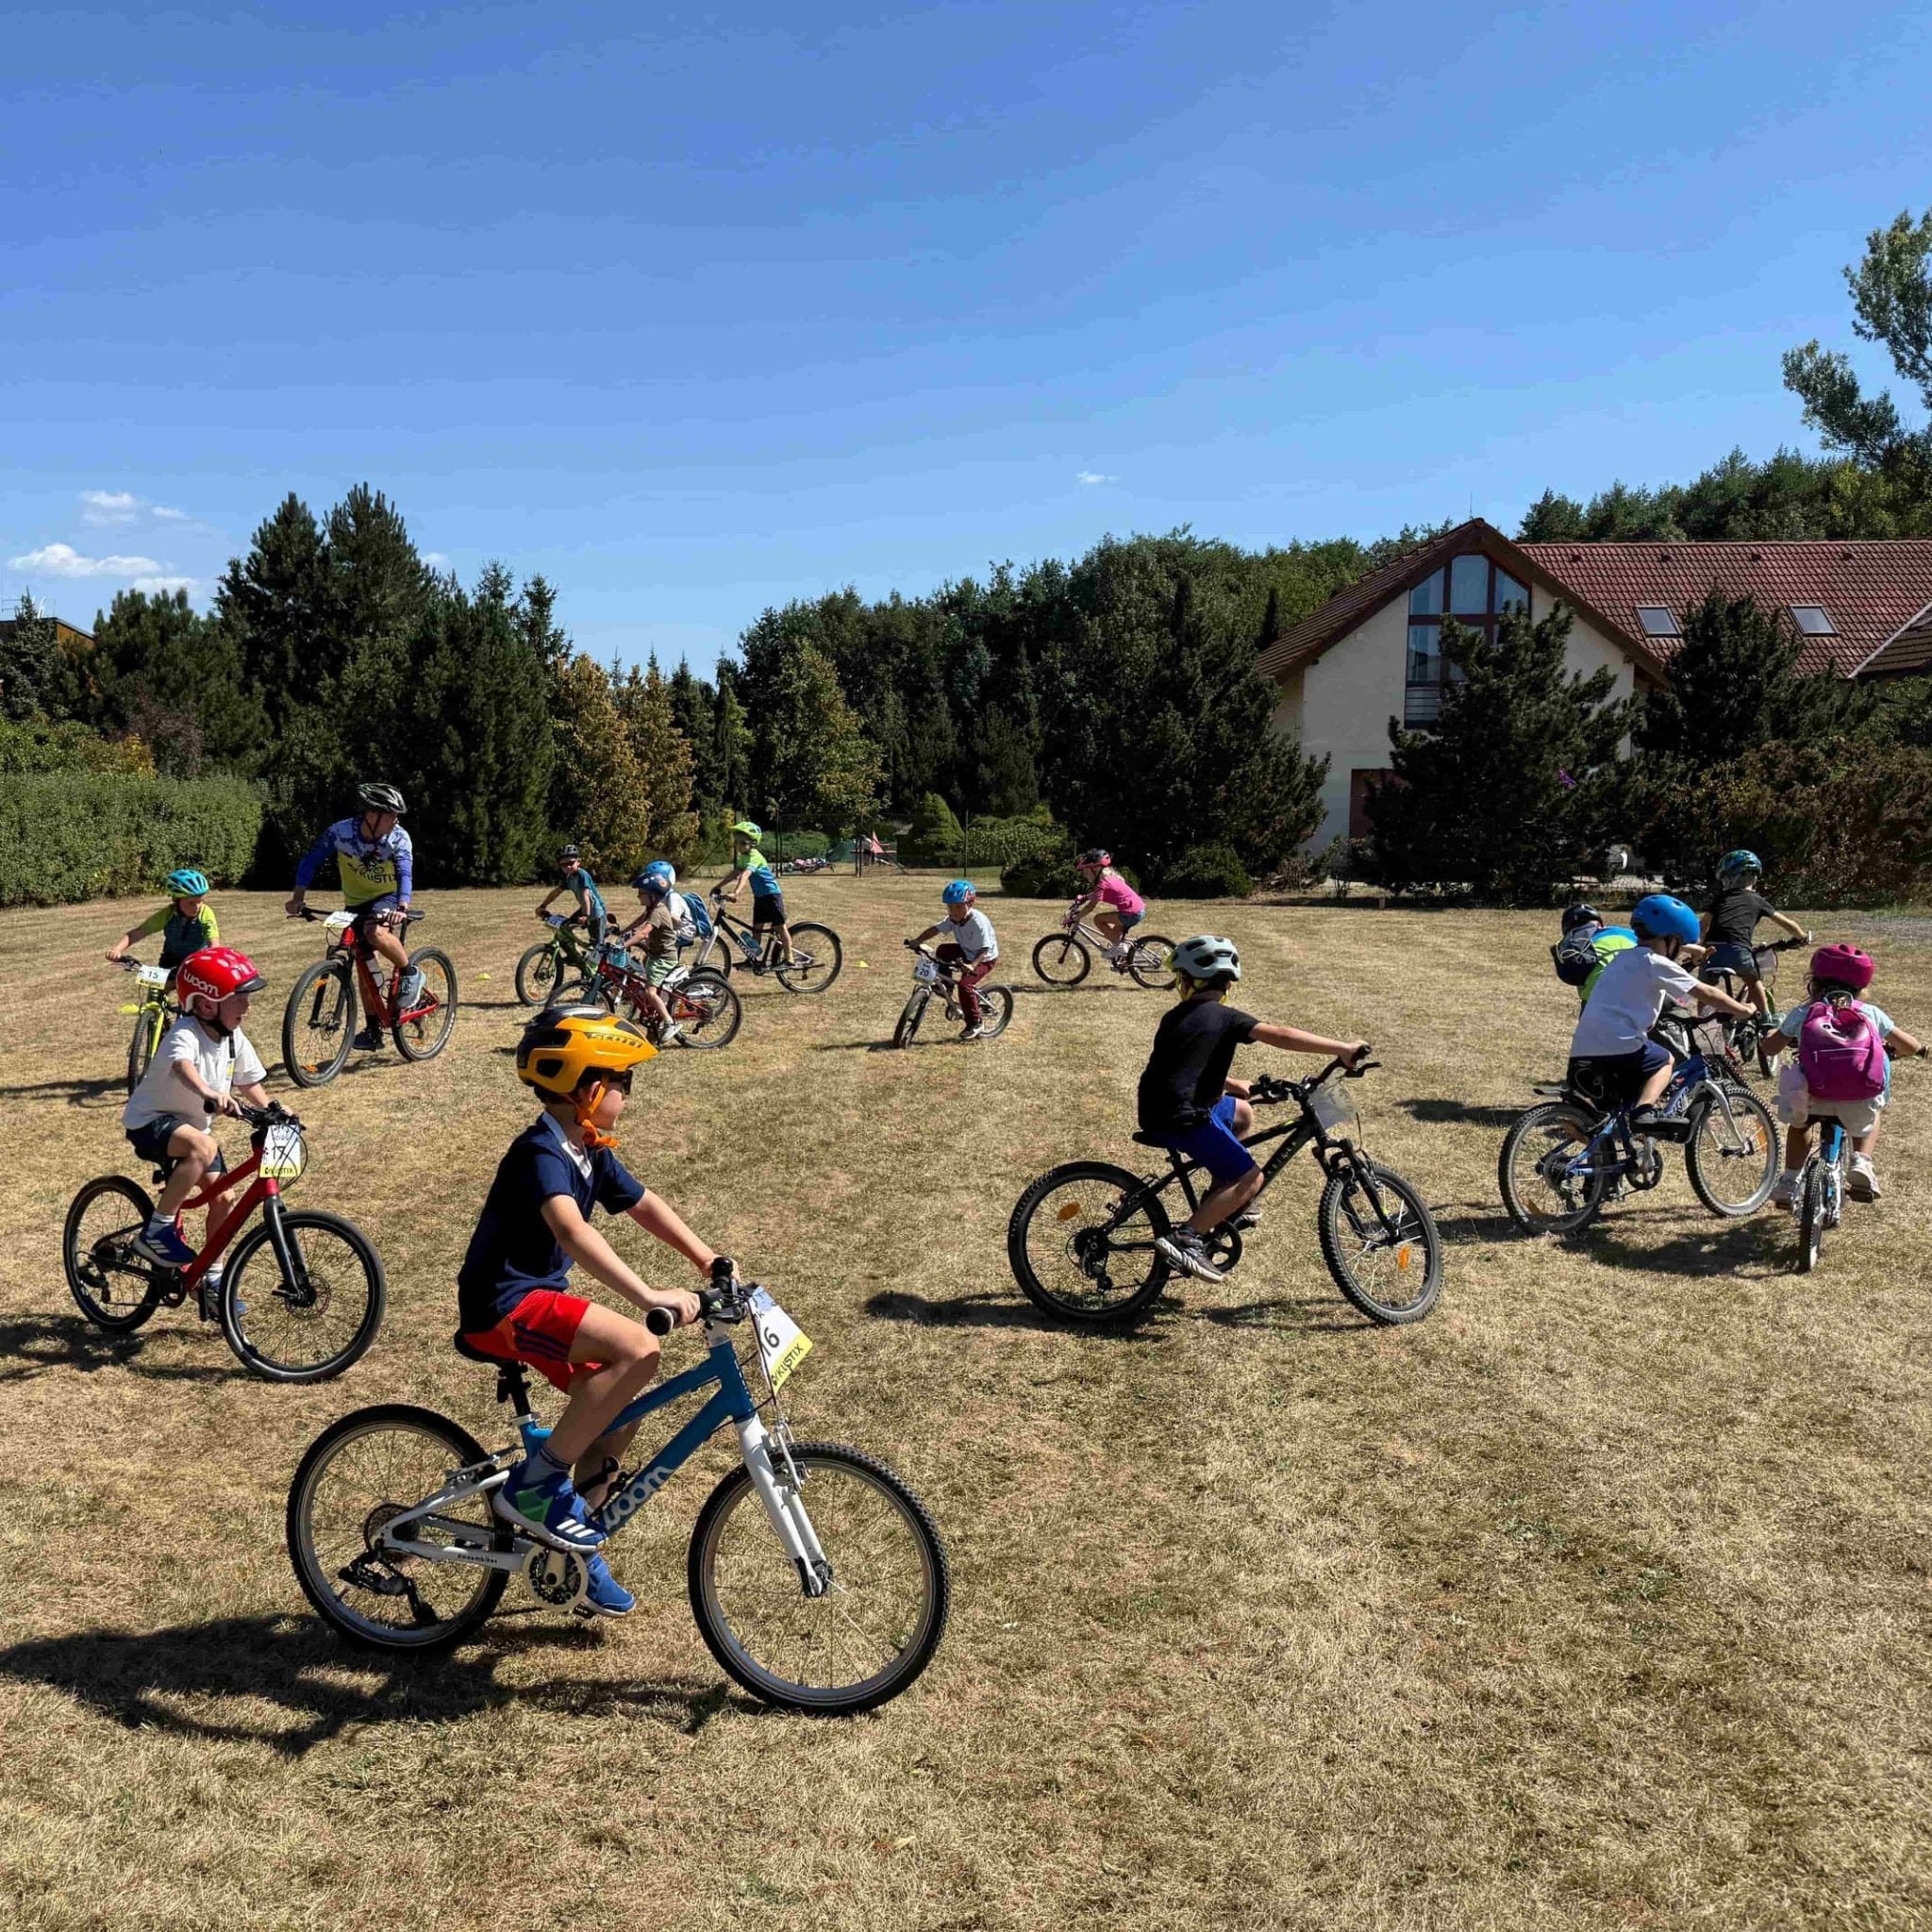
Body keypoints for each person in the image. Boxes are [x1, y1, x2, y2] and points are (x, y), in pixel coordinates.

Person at [456, 1007, 715, 1617]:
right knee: (638, 1348)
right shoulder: (540, 1153)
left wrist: (710, 1261)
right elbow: (572, 1234)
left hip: (539, 1298)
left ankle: (574, 1553)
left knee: (621, 1406)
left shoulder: (588, 1148)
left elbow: (645, 1204)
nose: (627, 1092)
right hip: (503, 1304)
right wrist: (650, 1297)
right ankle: (537, 1486)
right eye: (622, 1081)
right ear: (588, 1090)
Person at [1136, 934, 1368, 1285]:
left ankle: (1219, 1200)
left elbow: (1182, 1065)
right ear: (1227, 984)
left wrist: (1232, 1085)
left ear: (1187, 982)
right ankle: (1187, 1237)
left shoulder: (1177, 1016)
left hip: (1165, 1104)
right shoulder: (1226, 1017)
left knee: (1242, 1112)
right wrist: (1342, 1048)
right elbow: (1281, 1034)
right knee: (1251, 1178)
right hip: (1181, 1115)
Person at [121, 944, 270, 1314]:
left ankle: (212, 1279)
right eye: (239, 999)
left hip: (192, 1131)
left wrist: (276, 1110)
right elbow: (180, 1066)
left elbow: (249, 1081)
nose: (247, 1006)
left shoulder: (234, 1037)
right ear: (206, 1005)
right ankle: (157, 1229)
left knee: (224, 1199)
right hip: (151, 1122)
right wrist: (209, 1092)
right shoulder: (185, 1032)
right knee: (203, 1147)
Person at [1566, 893, 1754, 1134]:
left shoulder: (1622, 958)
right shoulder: (1656, 962)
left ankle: (1606, 1164)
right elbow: (1705, 991)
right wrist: (1743, 1010)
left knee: (1612, 1119)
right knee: (1664, 1060)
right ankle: (1644, 1112)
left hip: (1583, 1048)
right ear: (1672, 940)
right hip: (1619, 1048)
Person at [1768, 943, 1924, 1207]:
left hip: (1813, 1095)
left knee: (1799, 1126)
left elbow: (1770, 1047)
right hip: (1858, 1098)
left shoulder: (1803, 1012)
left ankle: (1790, 1181)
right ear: (1862, 987)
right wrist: (1921, 1051)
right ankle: (1862, 1162)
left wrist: (1773, 1036)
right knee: (1871, 1115)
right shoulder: (1871, 1013)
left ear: (1813, 982)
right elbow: (1907, 1045)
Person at [286, 781, 421, 1052]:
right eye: (391, 815)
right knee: (359, 959)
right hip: (356, 901)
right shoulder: (340, 832)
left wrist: (402, 907)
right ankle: (373, 1029)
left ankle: (410, 973)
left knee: (375, 933)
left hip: (388, 898)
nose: (396, 821)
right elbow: (311, 860)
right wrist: (298, 897)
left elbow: (405, 873)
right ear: (372, 815)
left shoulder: (398, 838)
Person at [1699, 850, 1810, 1060]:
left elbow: (1703, 925)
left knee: (1705, 991)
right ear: (1754, 877)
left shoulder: (1720, 898)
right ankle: (1765, 1020)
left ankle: (1704, 1030)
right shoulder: (1757, 900)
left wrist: (1700, 946)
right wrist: (1801, 937)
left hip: (1711, 951)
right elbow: (1787, 924)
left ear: (1729, 878)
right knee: (1753, 981)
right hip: (1738, 950)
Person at [909, 879, 1000, 1041]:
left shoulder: (978, 922)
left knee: (965, 986)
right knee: (943, 950)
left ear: (970, 904)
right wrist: (917, 941)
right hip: (967, 951)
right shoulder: (953, 919)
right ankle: (947, 985)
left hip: (984, 958)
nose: (953, 911)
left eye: (958, 907)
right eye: (950, 907)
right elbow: (936, 929)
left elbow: (985, 948)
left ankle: (975, 1022)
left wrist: (972, 965)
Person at [105, 867, 220, 981]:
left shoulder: (205, 913)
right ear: (176, 900)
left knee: (192, 997)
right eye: (191, 902)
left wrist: (212, 962)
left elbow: (213, 943)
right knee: (157, 992)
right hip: (170, 960)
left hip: (197, 963)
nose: (197, 907)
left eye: (200, 901)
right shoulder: (168, 914)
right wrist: (117, 949)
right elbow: (139, 932)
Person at [615, 868, 684, 1044]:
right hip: (655, 955)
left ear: (653, 895)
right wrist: (622, 931)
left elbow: (644, 932)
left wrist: (623, 945)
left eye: (641, 893)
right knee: (645, 991)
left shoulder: (658, 912)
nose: (638, 896)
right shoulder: (652, 908)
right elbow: (639, 921)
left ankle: (669, 1023)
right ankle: (653, 1032)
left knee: (649, 992)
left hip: (663, 958)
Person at [718, 821, 791, 966]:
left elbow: (745, 874)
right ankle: (752, 960)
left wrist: (736, 893)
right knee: (756, 930)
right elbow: (735, 873)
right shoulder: (743, 857)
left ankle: (790, 959)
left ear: (752, 843)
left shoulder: (754, 856)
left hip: (771, 896)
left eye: (742, 842)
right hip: (760, 898)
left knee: (780, 927)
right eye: (736, 842)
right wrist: (718, 886)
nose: (738, 846)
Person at [1551, 901, 1636, 1007]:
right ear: (1600, 923)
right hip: (1641, 992)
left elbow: (1572, 975)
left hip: (1600, 999)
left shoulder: (1578, 941)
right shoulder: (1629, 933)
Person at [1070, 849, 1145, 964]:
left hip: (1131, 913)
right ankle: (1125, 958)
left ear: (1094, 868)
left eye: (1085, 871)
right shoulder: (1110, 878)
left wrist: (1075, 918)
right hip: (1138, 910)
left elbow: (1090, 907)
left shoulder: (1103, 883)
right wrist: (1085, 897)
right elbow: (1097, 894)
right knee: (1113, 935)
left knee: (1098, 919)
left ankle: (1121, 948)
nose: (1084, 875)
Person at [534, 844, 609, 951]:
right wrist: (543, 905)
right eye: (563, 865)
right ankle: (573, 954)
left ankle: (602, 964)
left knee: (597, 947)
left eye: (570, 863)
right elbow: (556, 892)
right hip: (584, 908)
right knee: (565, 927)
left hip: (596, 911)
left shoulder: (582, 875)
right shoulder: (569, 878)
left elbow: (585, 895)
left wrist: (586, 915)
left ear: (578, 862)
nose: (567, 867)